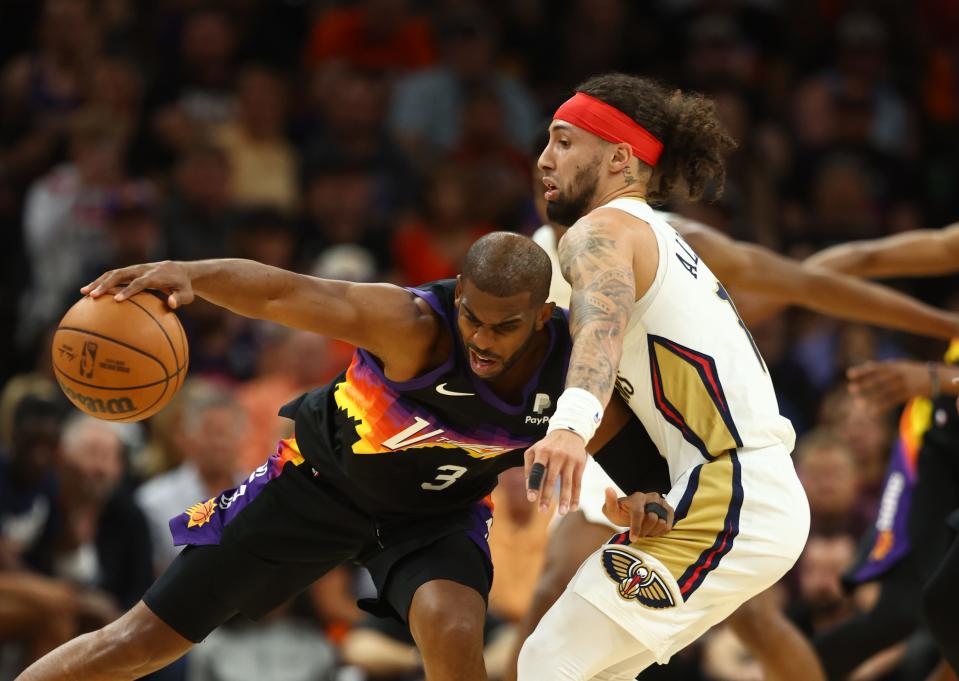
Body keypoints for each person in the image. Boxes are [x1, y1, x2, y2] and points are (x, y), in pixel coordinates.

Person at [15, 232, 655, 681]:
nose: (482, 340)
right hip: (311, 487)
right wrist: (193, 273)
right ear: (457, 292)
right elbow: (283, 294)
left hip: (432, 520)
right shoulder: (410, 324)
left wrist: (649, 498)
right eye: (472, 318)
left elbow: (626, 443)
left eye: (504, 327)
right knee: (136, 644)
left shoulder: (570, 371)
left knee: (455, 631)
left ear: (543, 316)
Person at [518, 73, 810, 680]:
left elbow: (598, 327)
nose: (545, 158)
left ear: (620, 157)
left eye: (565, 142)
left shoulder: (603, 232)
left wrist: (570, 428)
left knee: (549, 662)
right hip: (718, 489)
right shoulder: (660, 237)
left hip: (732, 487)